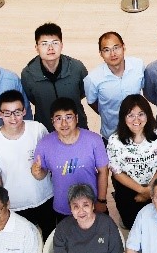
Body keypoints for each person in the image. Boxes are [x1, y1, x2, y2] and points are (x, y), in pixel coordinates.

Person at [31, 97, 109, 228]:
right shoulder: (44, 144)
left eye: (68, 117)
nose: (64, 123)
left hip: (92, 204)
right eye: (58, 118)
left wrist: (101, 200)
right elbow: (41, 174)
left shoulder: (94, 140)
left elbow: (103, 171)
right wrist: (37, 172)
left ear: (76, 118)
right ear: (52, 121)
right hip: (63, 206)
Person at [0, 90, 53, 234]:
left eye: (17, 112)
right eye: (7, 113)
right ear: (0, 114)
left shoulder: (37, 129)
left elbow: (50, 160)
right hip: (15, 205)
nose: (13, 118)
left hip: (46, 197)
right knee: (24, 241)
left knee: (50, 237)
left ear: (24, 111)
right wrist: (1, 206)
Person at [105, 93, 157, 233]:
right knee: (132, 224)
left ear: (148, 115)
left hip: (156, 183)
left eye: (141, 114)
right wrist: (142, 190)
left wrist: (150, 189)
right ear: (123, 117)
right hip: (129, 188)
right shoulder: (114, 141)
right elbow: (117, 173)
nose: (136, 120)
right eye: (130, 115)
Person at [21, 23, 88, 125]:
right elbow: (33, 99)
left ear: (61, 45)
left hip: (76, 126)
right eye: (44, 44)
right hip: (46, 127)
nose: (50, 48)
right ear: (36, 47)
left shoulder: (76, 68)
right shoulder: (28, 74)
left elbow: (83, 92)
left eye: (55, 43)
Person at [83, 30, 145, 137]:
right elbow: (92, 102)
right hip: (112, 134)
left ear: (123, 47)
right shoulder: (92, 79)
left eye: (116, 47)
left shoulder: (138, 66)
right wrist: (106, 114)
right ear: (101, 53)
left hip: (138, 132)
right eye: (106, 50)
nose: (113, 54)